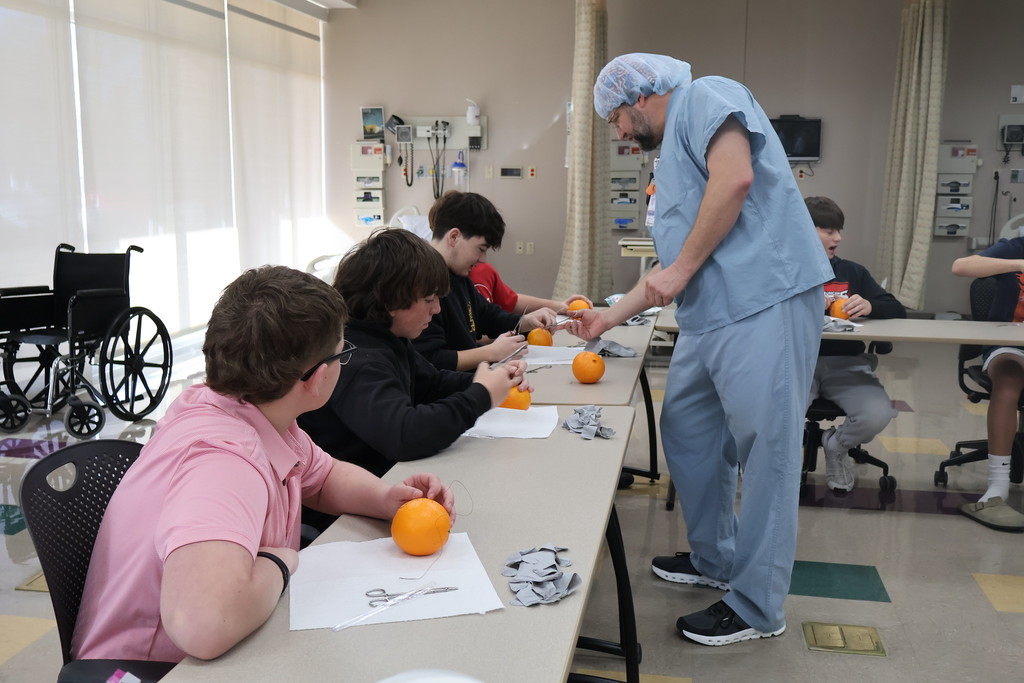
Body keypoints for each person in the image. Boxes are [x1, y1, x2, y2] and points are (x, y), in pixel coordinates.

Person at [571, 53, 833, 647]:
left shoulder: (706, 95)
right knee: (686, 426)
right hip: (711, 315)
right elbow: (671, 264)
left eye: (613, 120)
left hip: (765, 298)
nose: (617, 134)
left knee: (766, 452)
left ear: (635, 97)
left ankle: (757, 605)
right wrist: (607, 318)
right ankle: (716, 557)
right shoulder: (670, 157)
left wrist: (683, 268)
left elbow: (736, 179)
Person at [71, 266, 454, 664]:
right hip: (149, 669)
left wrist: (387, 498)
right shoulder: (223, 462)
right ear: (316, 378)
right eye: (344, 352)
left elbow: (321, 477)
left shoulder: (248, 409)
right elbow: (203, 624)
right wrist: (281, 560)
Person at [298, 229, 529, 528]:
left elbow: (430, 384)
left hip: (384, 490)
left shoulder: (389, 339)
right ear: (389, 302)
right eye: (429, 299)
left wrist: (487, 380)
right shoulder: (356, 359)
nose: (436, 309)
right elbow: (405, 435)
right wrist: (480, 396)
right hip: (340, 520)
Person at [806, 196, 905, 492]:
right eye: (829, 230)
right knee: (773, 415)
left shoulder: (854, 272)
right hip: (798, 362)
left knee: (878, 414)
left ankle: (836, 446)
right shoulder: (785, 270)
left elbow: (896, 309)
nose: (838, 237)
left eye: (839, 230)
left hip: (846, 364)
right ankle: (773, 468)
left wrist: (871, 306)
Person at [413, 190, 557, 371]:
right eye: (481, 249)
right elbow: (431, 360)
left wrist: (527, 321)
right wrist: (490, 353)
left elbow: (488, 315)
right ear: (454, 237)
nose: (483, 260)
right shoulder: (421, 284)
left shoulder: (458, 277)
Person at [951, 240, 1024, 531]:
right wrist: (1018, 264)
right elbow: (961, 267)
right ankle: (997, 487)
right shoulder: (1015, 247)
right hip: (1009, 346)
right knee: (1008, 378)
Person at [470, 261, 593, 315]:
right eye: (480, 248)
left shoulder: (483, 270)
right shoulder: (456, 282)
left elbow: (512, 301)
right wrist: (524, 327)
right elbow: (475, 334)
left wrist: (560, 306)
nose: (482, 259)